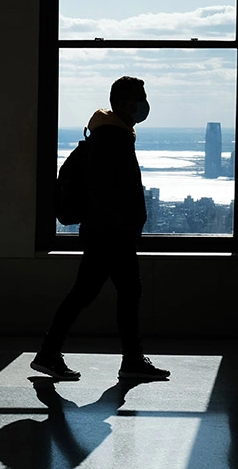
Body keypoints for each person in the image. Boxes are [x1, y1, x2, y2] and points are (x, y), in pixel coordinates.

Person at [31, 76, 170, 381]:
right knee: (103, 292)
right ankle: (53, 353)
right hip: (111, 233)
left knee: (109, 291)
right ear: (124, 104)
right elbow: (109, 191)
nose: (145, 105)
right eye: (140, 98)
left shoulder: (110, 135)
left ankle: (58, 353)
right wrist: (124, 225)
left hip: (106, 231)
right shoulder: (112, 140)